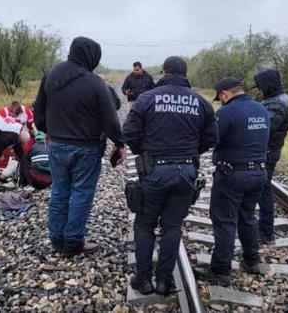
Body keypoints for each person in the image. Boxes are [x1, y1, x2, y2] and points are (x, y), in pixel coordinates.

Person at [123, 56, 218, 295]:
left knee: (145, 224)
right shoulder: (202, 102)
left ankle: (143, 281)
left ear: (164, 72)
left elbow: (130, 133)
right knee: (172, 227)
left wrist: (143, 152)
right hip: (186, 171)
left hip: (154, 170)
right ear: (185, 74)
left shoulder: (147, 99)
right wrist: (189, 154)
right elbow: (211, 138)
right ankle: (164, 281)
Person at [34, 36, 126, 258]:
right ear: (91, 56)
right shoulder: (95, 82)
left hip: (57, 145)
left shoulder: (51, 76)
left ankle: (56, 238)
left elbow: (39, 114)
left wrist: (50, 131)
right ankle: (73, 241)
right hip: (86, 148)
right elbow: (110, 120)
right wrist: (119, 143)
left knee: (59, 191)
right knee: (82, 193)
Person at [198, 77, 270, 285]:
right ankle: (252, 261)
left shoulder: (226, 112)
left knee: (225, 220)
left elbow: (211, 138)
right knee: (247, 217)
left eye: (220, 98)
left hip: (232, 175)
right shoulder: (261, 110)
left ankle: (220, 271)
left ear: (225, 94)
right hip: (258, 173)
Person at [253, 69, 288, 244]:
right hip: (269, 150)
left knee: (264, 191)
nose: (258, 90)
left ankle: (265, 232)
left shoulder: (277, 104)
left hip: (268, 152)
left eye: (260, 86)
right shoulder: (275, 100)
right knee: (263, 190)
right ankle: (263, 230)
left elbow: (262, 127)